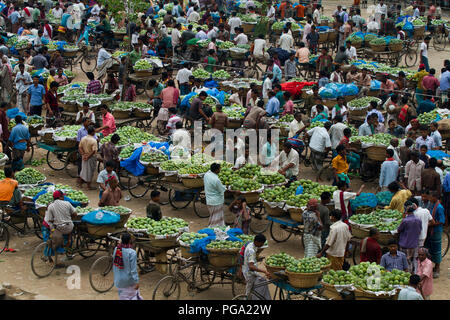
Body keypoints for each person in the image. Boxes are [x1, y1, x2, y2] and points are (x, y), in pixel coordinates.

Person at [242, 234, 271, 300]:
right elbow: (251, 267)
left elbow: (250, 259)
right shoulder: (251, 251)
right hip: (249, 273)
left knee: (257, 284)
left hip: (247, 270)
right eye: (261, 244)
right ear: (257, 242)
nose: (262, 245)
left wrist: (256, 259)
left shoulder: (250, 244)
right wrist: (264, 271)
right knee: (248, 291)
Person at [113, 233, 141, 300]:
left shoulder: (117, 249)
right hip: (129, 282)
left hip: (119, 280)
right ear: (130, 241)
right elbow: (133, 270)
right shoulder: (132, 253)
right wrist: (136, 281)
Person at [425, 190, 445, 278]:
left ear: (435, 197)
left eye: (430, 197)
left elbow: (441, 221)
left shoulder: (439, 207)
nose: (429, 198)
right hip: (430, 230)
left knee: (436, 249)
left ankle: (437, 267)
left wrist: (431, 224)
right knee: (430, 248)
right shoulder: (431, 205)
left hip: (436, 230)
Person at [398, 202, 422, 273]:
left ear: (407, 212)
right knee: (414, 260)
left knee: (406, 261)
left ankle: (408, 274)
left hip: (405, 244)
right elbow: (419, 231)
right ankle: (414, 273)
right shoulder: (418, 220)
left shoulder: (405, 221)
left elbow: (399, 230)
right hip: (414, 244)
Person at [204, 163, 226, 227]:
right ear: (216, 170)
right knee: (216, 219)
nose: (220, 170)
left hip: (209, 200)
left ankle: (213, 228)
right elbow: (221, 190)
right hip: (216, 202)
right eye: (219, 168)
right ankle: (214, 230)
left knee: (213, 217)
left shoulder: (206, 174)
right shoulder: (216, 180)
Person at [78, 126, 98, 190]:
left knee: (83, 170)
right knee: (90, 172)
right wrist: (88, 157)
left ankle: (80, 184)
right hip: (90, 157)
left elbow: (80, 147)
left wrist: (83, 155)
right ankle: (88, 186)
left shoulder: (83, 138)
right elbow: (93, 151)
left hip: (84, 156)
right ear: (92, 132)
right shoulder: (94, 141)